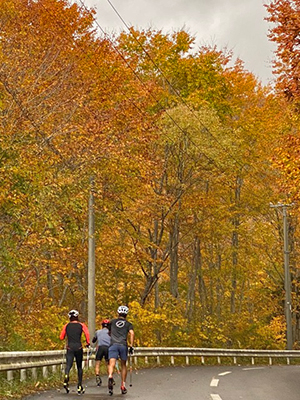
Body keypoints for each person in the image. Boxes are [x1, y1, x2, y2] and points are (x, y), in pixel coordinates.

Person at [60, 309, 90, 395]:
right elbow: (87, 334)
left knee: (68, 365)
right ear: (77, 317)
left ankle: (66, 375)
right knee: (79, 367)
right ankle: (79, 386)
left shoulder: (66, 326)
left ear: (69, 317)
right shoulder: (81, 325)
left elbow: (61, 337)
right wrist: (88, 343)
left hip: (70, 348)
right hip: (78, 347)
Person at [107, 305, 134, 395]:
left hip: (113, 344)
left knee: (112, 363)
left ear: (118, 313)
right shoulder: (128, 324)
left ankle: (110, 376)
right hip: (123, 345)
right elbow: (132, 333)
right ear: (126, 314)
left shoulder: (112, 322)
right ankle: (123, 385)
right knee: (123, 365)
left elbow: (109, 331)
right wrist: (131, 345)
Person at [92, 319, 111, 386]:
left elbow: (93, 340)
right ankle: (110, 377)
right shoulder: (110, 332)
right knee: (108, 364)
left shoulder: (98, 332)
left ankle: (97, 376)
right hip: (108, 348)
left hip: (100, 348)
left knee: (97, 363)